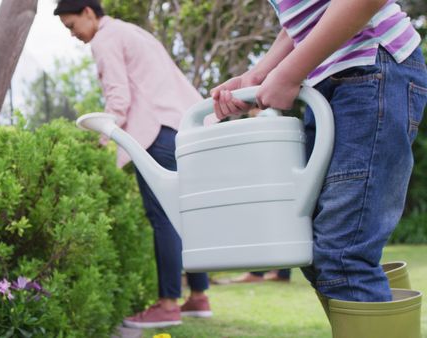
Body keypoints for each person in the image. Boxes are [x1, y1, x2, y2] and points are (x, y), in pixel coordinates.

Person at [211, 0, 426, 334]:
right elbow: (306, 15)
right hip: (328, 80)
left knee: (342, 254)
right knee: (316, 251)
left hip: (369, 65)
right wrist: (260, 73)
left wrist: (291, 71)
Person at [53, 0, 213, 329]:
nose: (73, 35)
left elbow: (118, 97)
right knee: (185, 213)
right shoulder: (134, 32)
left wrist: (102, 139)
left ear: (87, 12)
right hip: (183, 128)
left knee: (164, 217)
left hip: (155, 133)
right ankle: (198, 296)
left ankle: (168, 303)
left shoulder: (105, 39)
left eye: (72, 26)